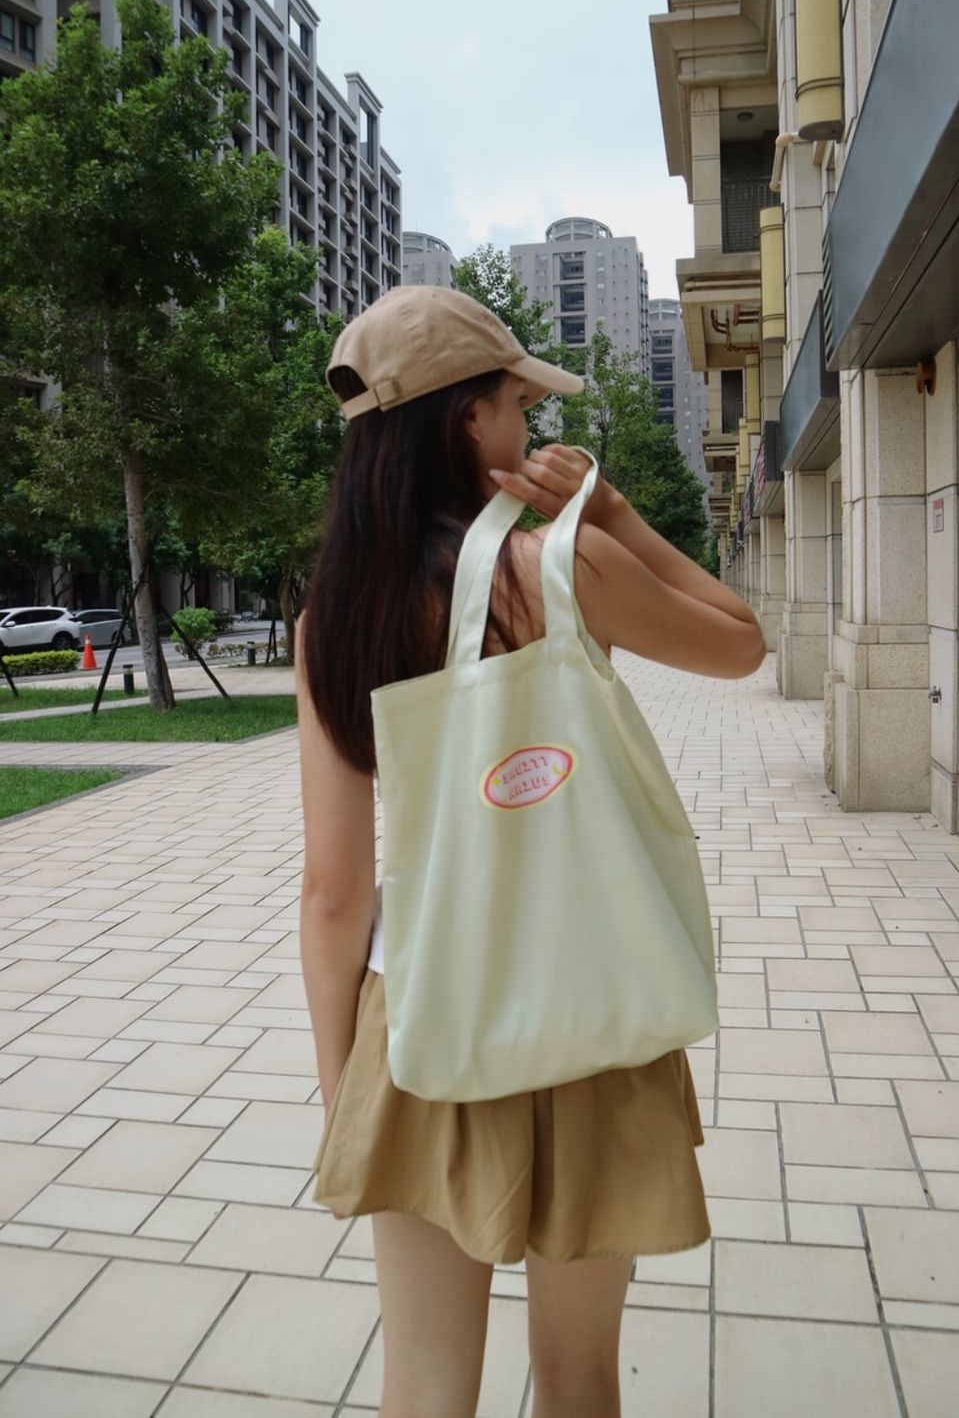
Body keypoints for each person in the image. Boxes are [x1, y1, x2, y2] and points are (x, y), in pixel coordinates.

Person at [295, 285, 766, 1418]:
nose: (527, 429)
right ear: (468, 418)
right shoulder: (562, 570)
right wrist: (616, 516)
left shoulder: (332, 618)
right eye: (516, 404)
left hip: (421, 1029)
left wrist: (345, 1089)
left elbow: (332, 893)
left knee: (422, 1385)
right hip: (594, 1015)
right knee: (577, 1378)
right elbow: (742, 642)